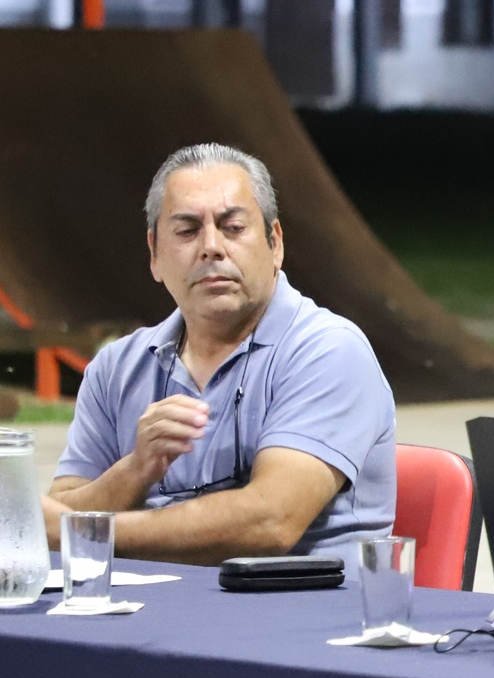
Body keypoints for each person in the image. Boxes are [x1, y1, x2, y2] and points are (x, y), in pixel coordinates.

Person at [47, 143, 396, 568]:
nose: (211, 247)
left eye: (233, 227)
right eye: (188, 230)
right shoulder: (116, 368)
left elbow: (270, 523)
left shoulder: (327, 350)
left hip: (299, 617)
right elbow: (55, 517)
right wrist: (135, 470)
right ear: (155, 254)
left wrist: (90, 534)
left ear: (275, 243)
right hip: (149, 613)